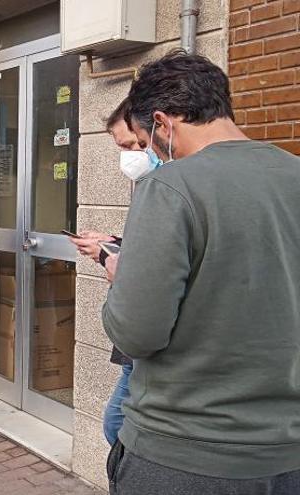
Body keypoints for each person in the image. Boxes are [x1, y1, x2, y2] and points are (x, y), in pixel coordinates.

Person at [102, 51, 300, 494]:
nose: (149, 151)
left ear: (162, 122)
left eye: (145, 140)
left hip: (184, 454)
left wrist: (120, 280)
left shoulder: (170, 187)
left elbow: (138, 333)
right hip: (287, 450)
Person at [67, 98, 141, 447]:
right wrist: (112, 243)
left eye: (130, 144)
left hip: (145, 344)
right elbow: (148, 247)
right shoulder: (151, 184)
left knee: (116, 424)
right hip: (136, 347)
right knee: (116, 424)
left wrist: (108, 257)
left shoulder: (170, 185)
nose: (127, 155)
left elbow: (157, 264)